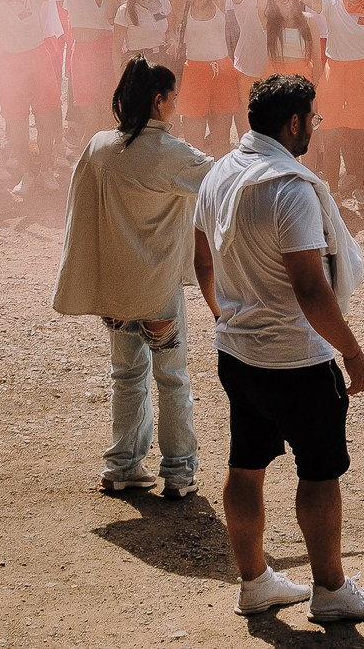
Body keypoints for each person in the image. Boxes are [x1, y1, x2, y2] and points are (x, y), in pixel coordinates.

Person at [193, 74, 364, 624]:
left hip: (237, 350)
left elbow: (202, 260)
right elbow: (309, 287)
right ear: (295, 122)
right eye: (313, 120)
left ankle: (254, 582)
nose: (313, 131)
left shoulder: (218, 175)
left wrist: (223, 315)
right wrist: (350, 351)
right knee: (320, 472)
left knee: (245, 464)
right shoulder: (291, 188)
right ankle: (329, 589)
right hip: (297, 358)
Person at [53, 59, 213, 498]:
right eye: (173, 99)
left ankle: (122, 464)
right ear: (158, 100)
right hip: (158, 288)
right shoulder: (169, 152)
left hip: (115, 289)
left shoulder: (100, 146)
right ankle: (178, 474)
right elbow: (223, 180)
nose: (176, 108)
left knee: (126, 377)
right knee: (173, 379)